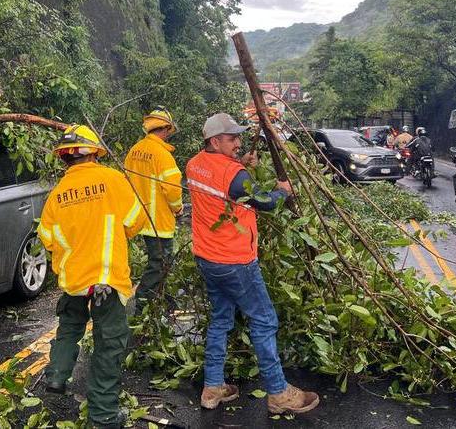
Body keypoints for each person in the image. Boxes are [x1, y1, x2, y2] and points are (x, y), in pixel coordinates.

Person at [185, 113, 320, 414]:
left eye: (238, 137)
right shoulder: (236, 176)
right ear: (214, 141)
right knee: (264, 320)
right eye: (231, 138)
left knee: (221, 319)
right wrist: (283, 190)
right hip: (235, 262)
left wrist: (241, 166)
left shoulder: (194, 165)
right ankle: (278, 393)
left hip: (207, 258)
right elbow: (266, 202)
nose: (238, 142)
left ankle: (213, 387)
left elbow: (224, 185)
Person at [37, 124, 146, 429]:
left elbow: (47, 239)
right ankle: (103, 415)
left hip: (73, 281)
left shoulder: (57, 196)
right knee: (108, 344)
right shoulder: (113, 180)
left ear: (64, 158)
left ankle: (57, 375)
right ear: (95, 151)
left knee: (69, 326)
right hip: (106, 280)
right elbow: (134, 222)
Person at [125, 107, 184, 305]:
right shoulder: (163, 155)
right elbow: (172, 190)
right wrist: (178, 208)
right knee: (160, 263)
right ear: (166, 129)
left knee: (158, 262)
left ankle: (161, 298)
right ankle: (143, 303)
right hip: (158, 220)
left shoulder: (135, 150)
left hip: (140, 217)